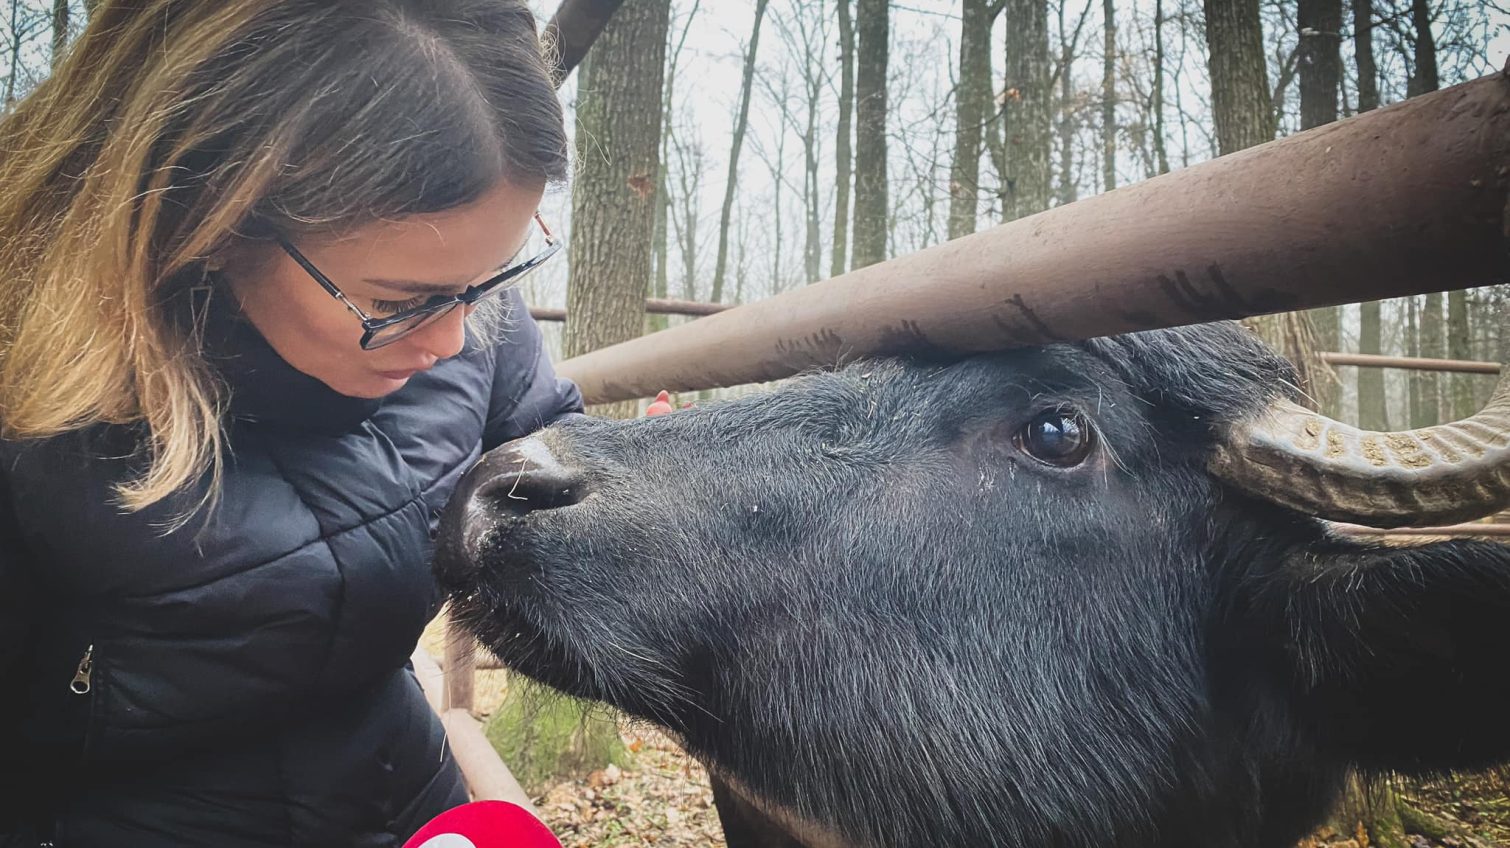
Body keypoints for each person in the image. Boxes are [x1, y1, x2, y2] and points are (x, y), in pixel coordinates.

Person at [0, 2, 582, 845]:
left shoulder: (458, 312)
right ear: (212, 218)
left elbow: (563, 485)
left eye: (489, 279)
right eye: (398, 302)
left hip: (415, 804)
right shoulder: (31, 400)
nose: (453, 340)